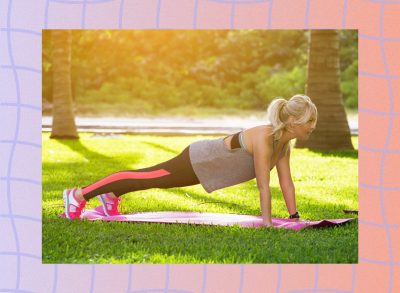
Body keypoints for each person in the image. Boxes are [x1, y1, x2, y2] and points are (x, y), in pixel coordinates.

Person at [62, 94, 317, 227]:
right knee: (149, 177)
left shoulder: (283, 146)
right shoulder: (264, 137)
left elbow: (287, 183)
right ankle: (79, 194)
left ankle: (110, 196)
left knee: (153, 181)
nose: (313, 127)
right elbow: (264, 184)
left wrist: (294, 216)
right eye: (310, 122)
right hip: (199, 159)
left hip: (207, 169)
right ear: (293, 122)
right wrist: (267, 222)